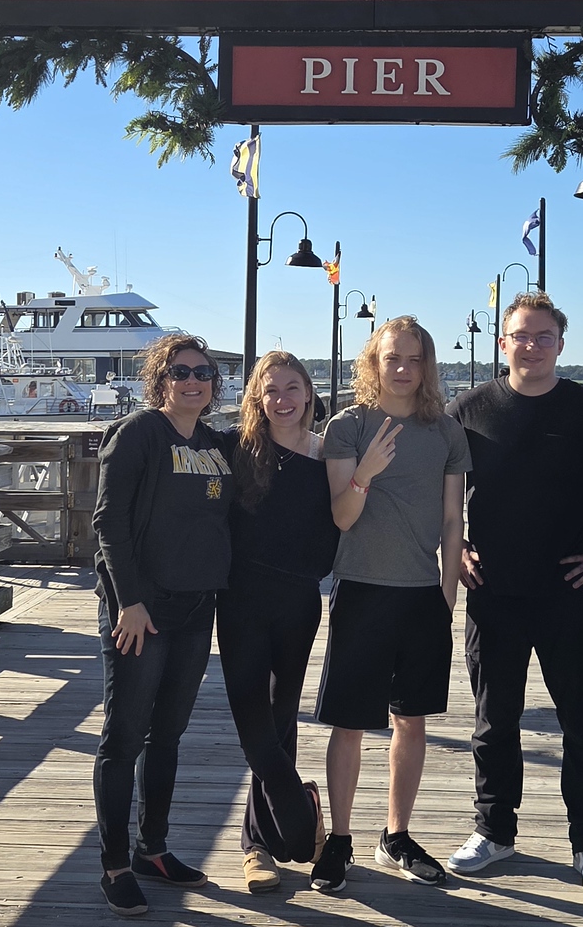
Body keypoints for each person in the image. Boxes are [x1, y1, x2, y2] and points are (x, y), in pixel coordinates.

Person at [443, 292, 583, 897]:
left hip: (568, 590)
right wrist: (456, 545)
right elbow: (433, 489)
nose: (532, 345)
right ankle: (494, 831)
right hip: (493, 590)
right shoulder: (468, 409)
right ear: (503, 343)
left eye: (544, 336)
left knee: (582, 722)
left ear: (561, 345)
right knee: (495, 721)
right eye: (521, 335)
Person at [312, 316, 471, 893]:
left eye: (414, 359)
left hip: (423, 596)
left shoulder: (445, 432)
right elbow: (342, 518)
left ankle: (395, 835)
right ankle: (341, 838)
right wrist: (366, 475)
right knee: (350, 722)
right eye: (391, 359)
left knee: (412, 720)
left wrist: (446, 597)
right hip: (361, 590)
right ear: (372, 364)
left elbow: (454, 521)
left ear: (427, 365)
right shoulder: (348, 426)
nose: (403, 369)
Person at [91, 335, 235, 917]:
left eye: (203, 372)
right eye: (180, 372)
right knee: (124, 735)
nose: (192, 381)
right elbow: (108, 524)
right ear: (160, 379)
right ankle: (115, 863)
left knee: (168, 735)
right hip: (141, 612)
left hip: (197, 608)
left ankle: (154, 848)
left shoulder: (213, 442)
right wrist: (128, 602)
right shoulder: (138, 435)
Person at [218, 351, 339, 892]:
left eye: (294, 388)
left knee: (281, 716)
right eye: (272, 390)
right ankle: (297, 817)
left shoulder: (327, 454)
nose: (283, 399)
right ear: (257, 398)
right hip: (240, 598)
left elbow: (340, 528)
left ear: (309, 394)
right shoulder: (237, 450)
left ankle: (257, 849)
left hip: (298, 601)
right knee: (252, 721)